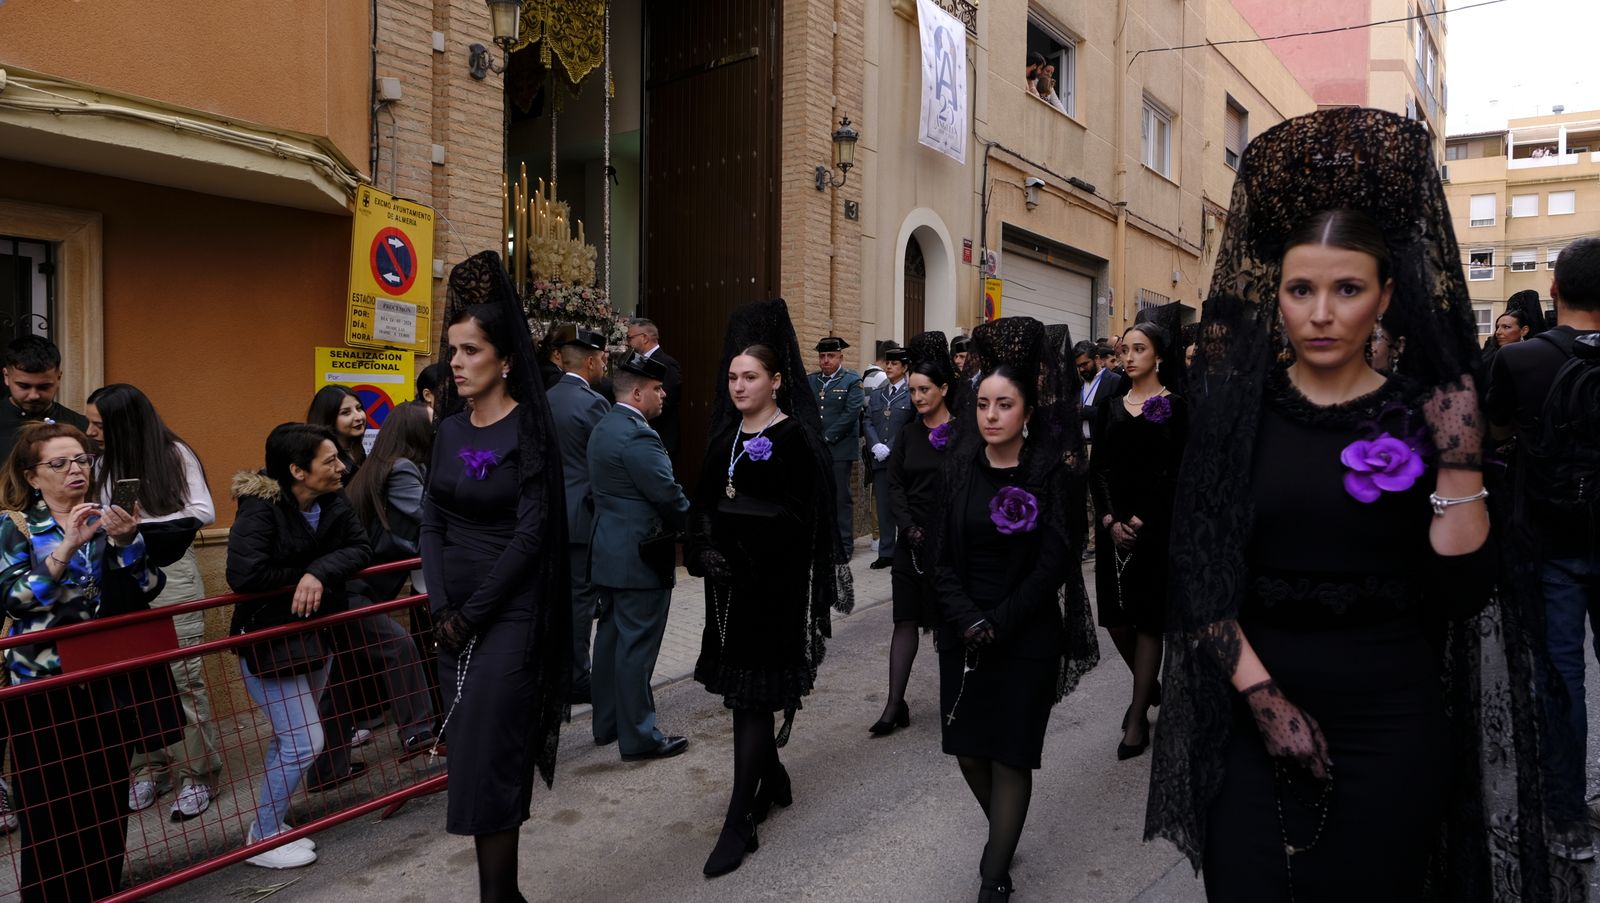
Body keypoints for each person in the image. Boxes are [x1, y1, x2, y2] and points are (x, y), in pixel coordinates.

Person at [1146, 108, 1573, 902]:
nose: (1320, 311)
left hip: (1390, 723)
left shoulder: (1426, 416)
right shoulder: (1234, 415)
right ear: (1274, 294)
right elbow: (1198, 576)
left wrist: (1459, 462)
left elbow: (1461, 593)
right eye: (1299, 288)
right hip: (1251, 712)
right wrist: (1265, 699)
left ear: (1384, 297)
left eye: (1347, 289)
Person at [422, 251, 570, 902]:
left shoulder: (531, 427)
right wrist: (438, 602)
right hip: (453, 617)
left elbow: (532, 534)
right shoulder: (448, 429)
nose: (456, 362)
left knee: (493, 756)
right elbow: (429, 519)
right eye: (452, 349)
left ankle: (497, 897)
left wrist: (470, 613)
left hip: (507, 618)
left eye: (471, 349)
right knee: (472, 759)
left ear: (504, 358)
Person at [932, 316, 1097, 903]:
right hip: (962, 629)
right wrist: (964, 617)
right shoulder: (959, 467)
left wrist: (997, 621)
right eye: (982, 404)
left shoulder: (1050, 472)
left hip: (1024, 635)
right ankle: (1004, 831)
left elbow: (1054, 562)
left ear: (1028, 411)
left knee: (1010, 754)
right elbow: (940, 554)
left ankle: (994, 871)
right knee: (969, 751)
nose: (991, 415)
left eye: (1005, 404)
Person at [687, 299, 852, 878]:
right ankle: (773, 777)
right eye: (732, 376)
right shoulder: (726, 434)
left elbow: (799, 520)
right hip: (728, 591)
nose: (738, 385)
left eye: (750, 376)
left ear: (777, 381)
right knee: (743, 695)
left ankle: (739, 822)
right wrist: (705, 546)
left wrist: (739, 538)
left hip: (772, 590)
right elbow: (704, 501)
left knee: (750, 701)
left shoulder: (795, 439)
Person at [0, 422, 156, 899]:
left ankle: (102, 890)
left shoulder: (109, 520)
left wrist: (129, 542)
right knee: (48, 806)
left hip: (106, 677)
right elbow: (16, 599)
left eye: (82, 460)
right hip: (42, 686)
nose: (75, 471)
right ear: (32, 476)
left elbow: (148, 589)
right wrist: (66, 546)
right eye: (60, 463)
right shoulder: (16, 524)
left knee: (106, 797)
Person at [1485, 235, 1600, 860]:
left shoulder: (1521, 361)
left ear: (1553, 291)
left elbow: (1497, 431)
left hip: (1548, 538)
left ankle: (1566, 818)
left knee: (1561, 678)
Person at [227, 423, 372, 869]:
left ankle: (270, 823)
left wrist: (318, 573)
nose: (341, 467)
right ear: (297, 470)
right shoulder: (260, 508)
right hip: (271, 644)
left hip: (316, 637)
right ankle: (264, 836)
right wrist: (308, 574)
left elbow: (361, 548)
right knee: (305, 741)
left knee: (293, 738)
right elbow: (244, 576)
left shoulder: (333, 499)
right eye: (329, 460)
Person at [84, 383, 222, 821]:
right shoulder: (102, 462)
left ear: (124, 424)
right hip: (119, 573)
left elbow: (204, 510)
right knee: (134, 674)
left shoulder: (174, 453)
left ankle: (197, 776)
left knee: (182, 675)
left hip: (171, 568)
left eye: (98, 424)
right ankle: (150, 768)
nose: (90, 432)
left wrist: (140, 527)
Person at [586, 353, 691, 761]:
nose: (663, 395)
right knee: (636, 648)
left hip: (610, 552)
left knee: (612, 641)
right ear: (637, 392)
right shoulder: (638, 434)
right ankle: (640, 737)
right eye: (657, 389)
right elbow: (667, 494)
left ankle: (608, 724)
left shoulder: (605, 426)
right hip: (639, 556)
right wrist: (699, 523)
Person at [1090, 323, 1186, 760]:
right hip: (1113, 530)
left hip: (1156, 528)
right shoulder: (1109, 407)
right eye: (1123, 349)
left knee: (1149, 619)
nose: (1128, 357)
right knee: (1115, 618)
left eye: (1139, 349)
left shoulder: (1178, 408)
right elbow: (1100, 471)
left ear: (1159, 355)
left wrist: (1140, 520)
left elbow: (1174, 473)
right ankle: (1150, 687)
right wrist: (1109, 519)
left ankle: (1136, 716)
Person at [329, 400, 439, 765]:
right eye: (430, 422)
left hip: (354, 584)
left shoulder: (378, 465)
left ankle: (328, 764)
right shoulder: (402, 468)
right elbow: (427, 516)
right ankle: (418, 733)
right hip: (357, 587)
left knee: (339, 676)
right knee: (400, 647)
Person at [872, 331, 954, 736]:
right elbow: (896, 486)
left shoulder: (963, 433)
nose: (918, 397)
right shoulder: (907, 433)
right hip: (912, 540)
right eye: (914, 391)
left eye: (925, 390)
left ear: (943, 389)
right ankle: (893, 705)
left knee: (950, 624)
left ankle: (957, 702)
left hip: (951, 542)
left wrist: (939, 529)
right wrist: (909, 527)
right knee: (904, 620)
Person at [547, 325, 611, 705]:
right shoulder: (593, 404)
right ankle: (575, 677)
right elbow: (603, 464)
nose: (604, 365)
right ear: (589, 361)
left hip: (551, 517)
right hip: (582, 519)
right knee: (579, 605)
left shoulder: (545, 398)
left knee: (558, 601)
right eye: (602, 359)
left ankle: (558, 672)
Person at [808, 336, 864, 557]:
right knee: (818, 497)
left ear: (841, 356)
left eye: (830, 356)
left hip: (839, 449)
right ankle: (820, 544)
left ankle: (843, 546)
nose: (825, 361)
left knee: (840, 498)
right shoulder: (812, 381)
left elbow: (851, 414)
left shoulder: (851, 380)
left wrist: (827, 437)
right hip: (815, 449)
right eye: (822, 356)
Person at [865, 346, 915, 570]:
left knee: (905, 505)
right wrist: (875, 443)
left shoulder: (912, 394)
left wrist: (891, 446)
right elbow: (867, 420)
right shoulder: (877, 394)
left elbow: (911, 425)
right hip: (880, 458)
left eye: (894, 364)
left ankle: (908, 548)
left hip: (903, 458)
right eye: (887, 363)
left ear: (904, 367)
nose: (889, 367)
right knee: (883, 505)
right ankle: (886, 552)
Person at [0, 336, 88, 455]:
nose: (34, 395)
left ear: (59, 378)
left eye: (44, 387)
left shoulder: (81, 426)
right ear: (6, 376)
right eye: (24, 386)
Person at [625, 318, 683, 458]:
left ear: (644, 338)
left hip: (660, 437)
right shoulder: (636, 361)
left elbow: (667, 402)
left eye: (630, 337)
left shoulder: (667, 363)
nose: (627, 342)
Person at [307, 385, 368, 480]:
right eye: (346, 413)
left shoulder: (357, 449)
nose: (359, 417)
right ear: (328, 418)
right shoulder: (319, 458)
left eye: (359, 408)